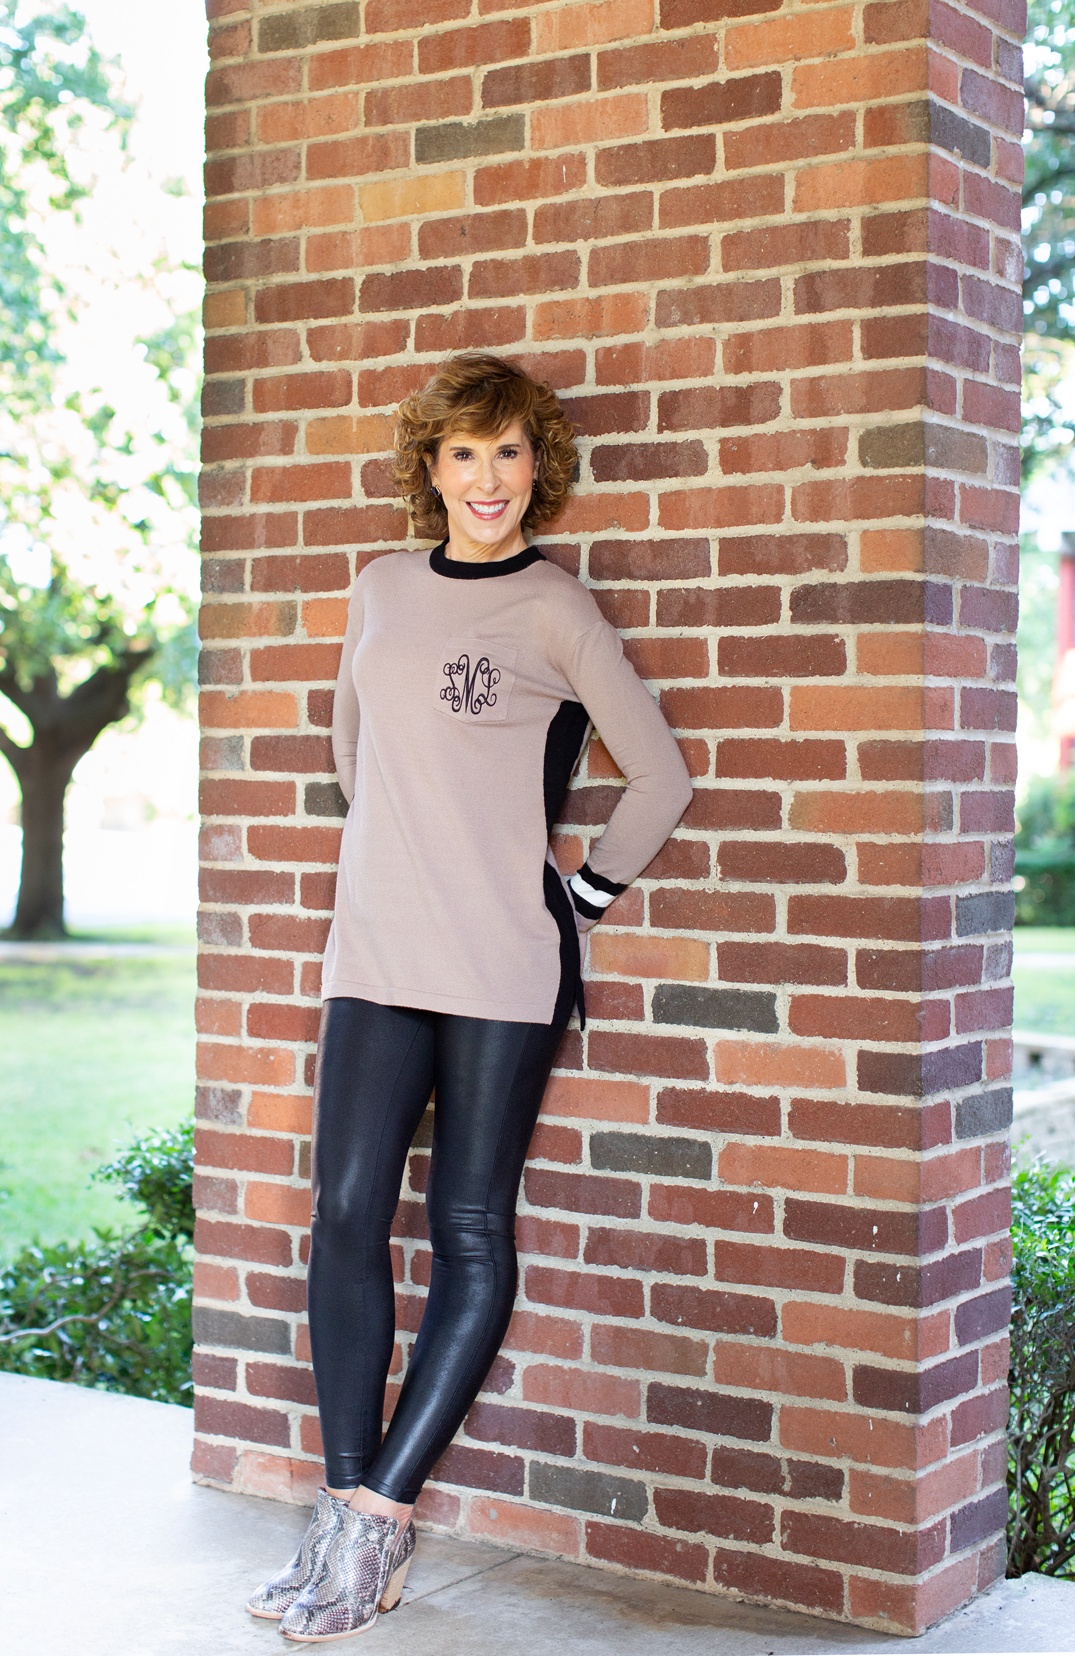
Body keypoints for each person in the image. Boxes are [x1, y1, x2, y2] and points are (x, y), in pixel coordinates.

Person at [247, 352, 694, 1642]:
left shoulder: (558, 611)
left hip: (503, 967)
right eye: (462, 454)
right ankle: (342, 1508)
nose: (486, 479)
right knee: (342, 1215)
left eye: (508, 455)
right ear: (429, 469)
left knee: (470, 1229)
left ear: (535, 469)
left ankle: (377, 1522)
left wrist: (583, 896)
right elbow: (353, 750)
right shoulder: (379, 589)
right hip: (376, 954)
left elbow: (658, 776)